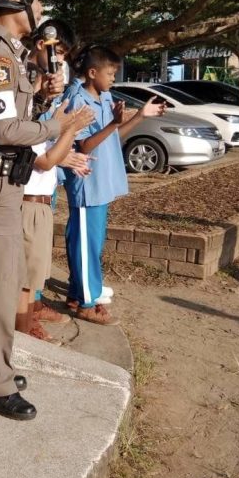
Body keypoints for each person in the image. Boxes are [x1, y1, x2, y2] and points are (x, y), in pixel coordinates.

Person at [0, 0, 91, 421]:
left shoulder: (10, 56)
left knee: (2, 282)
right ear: (15, 0)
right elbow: (6, 130)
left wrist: (43, 99)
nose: (41, 9)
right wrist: (59, 124)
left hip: (4, 187)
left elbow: (15, 117)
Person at [61, 45, 165, 325]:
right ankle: (86, 303)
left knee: (92, 244)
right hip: (87, 184)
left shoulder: (104, 96)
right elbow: (83, 145)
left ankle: (78, 293)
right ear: (92, 73)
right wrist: (112, 125)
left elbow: (113, 136)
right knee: (85, 244)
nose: (113, 79)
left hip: (102, 183)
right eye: (110, 73)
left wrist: (140, 115)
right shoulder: (78, 99)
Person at [18, 19, 94, 341]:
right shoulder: (21, 80)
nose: (59, 63)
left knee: (33, 273)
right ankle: (23, 329)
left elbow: (44, 143)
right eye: (58, 53)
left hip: (40, 195)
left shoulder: (39, 92)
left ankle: (29, 316)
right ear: (42, 45)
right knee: (24, 278)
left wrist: (64, 145)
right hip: (27, 196)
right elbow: (41, 153)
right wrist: (70, 129)